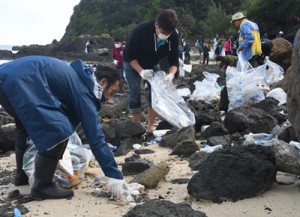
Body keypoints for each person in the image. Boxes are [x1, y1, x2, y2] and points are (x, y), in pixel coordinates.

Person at [0, 56, 129, 201]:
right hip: (24, 80)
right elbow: (96, 138)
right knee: (58, 132)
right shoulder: (85, 92)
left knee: (24, 126)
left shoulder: (77, 77)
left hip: (6, 76)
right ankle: (42, 187)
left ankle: (21, 176)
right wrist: (114, 176)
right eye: (111, 92)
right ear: (103, 82)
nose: (109, 99)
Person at [124, 9, 179, 140]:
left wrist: (171, 75)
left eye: (168, 33)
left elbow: (174, 60)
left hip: (152, 63)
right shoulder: (140, 31)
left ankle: (149, 128)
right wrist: (141, 72)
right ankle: (136, 128)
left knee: (154, 93)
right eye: (163, 32)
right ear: (157, 25)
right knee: (135, 92)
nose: (165, 35)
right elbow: (130, 56)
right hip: (133, 63)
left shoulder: (173, 36)